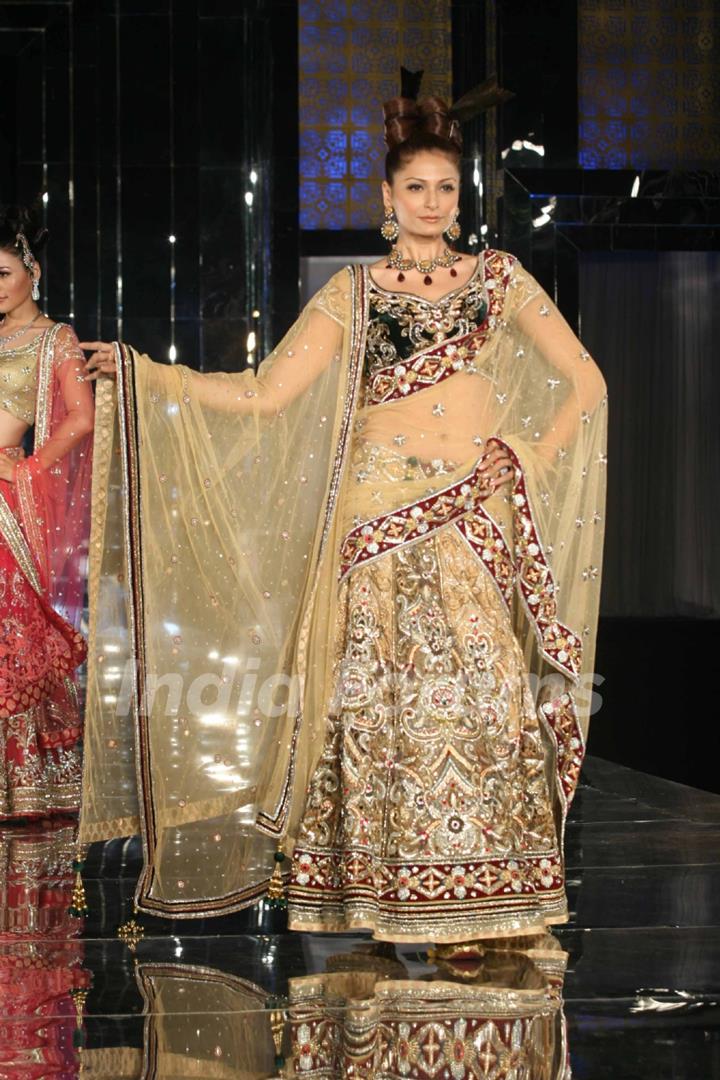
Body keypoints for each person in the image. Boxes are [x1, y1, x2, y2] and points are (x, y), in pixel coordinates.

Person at [79, 85, 606, 945]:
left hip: (468, 508)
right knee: (378, 706)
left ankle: (487, 896)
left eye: (446, 188)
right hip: (373, 520)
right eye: (417, 188)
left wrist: (526, 457)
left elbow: (586, 381)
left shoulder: (499, 279)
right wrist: (148, 375)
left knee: (488, 691)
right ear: (386, 199)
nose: (433, 203)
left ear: (459, 196)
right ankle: (382, 896)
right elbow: (263, 394)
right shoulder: (352, 294)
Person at [0, 205, 94, 821]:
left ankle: (26, 782)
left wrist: (27, 470)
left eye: (3, 272)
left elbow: (81, 418)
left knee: (11, 633)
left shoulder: (55, 338)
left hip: (7, 494)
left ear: (32, 270)